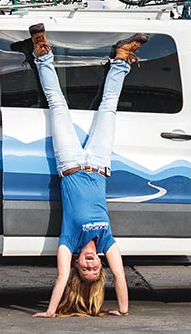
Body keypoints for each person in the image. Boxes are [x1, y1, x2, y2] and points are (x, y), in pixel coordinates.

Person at [29, 24, 144, 318]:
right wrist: (122, 309)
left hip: (68, 163)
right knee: (109, 107)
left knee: (57, 105)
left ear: (78, 265)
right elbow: (120, 276)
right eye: (95, 268)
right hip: (99, 162)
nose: (91, 264)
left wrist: (51, 311)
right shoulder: (106, 240)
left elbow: (60, 278)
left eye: (86, 268)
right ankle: (121, 59)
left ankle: (42, 52)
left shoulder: (69, 241)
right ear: (100, 265)